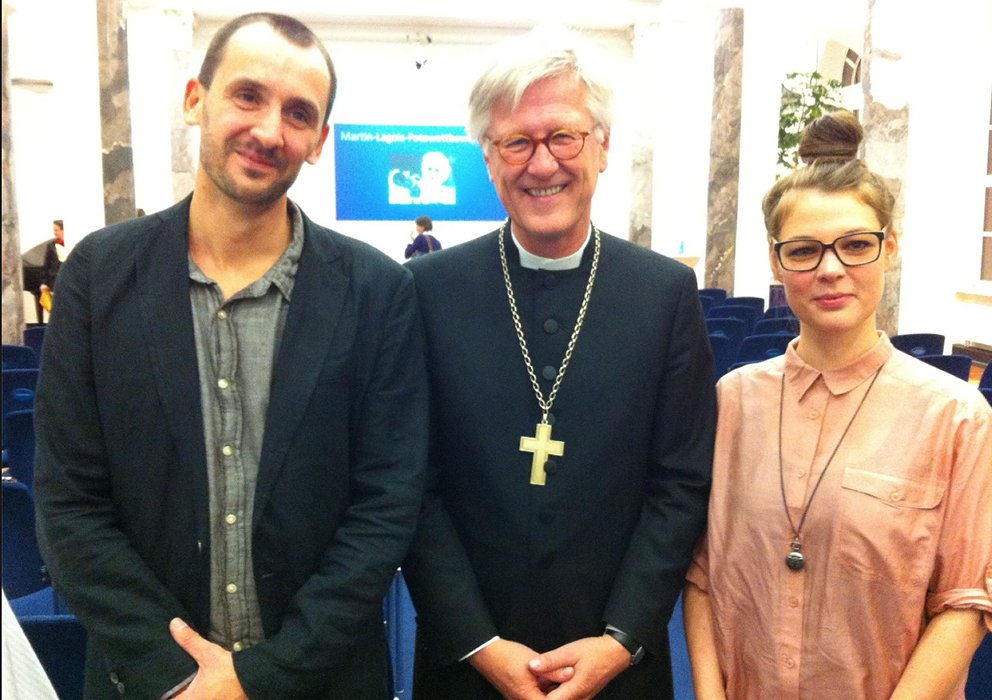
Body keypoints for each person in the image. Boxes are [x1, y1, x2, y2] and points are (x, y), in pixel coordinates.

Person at [33, 13, 427, 700]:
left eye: (298, 113)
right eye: (248, 95)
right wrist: (183, 676)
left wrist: (260, 679)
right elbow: (70, 506)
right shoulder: (99, 275)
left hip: (325, 681)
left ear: (319, 143)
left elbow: (385, 507)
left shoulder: (377, 291)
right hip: (148, 685)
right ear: (195, 99)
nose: (269, 130)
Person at [402, 27, 716, 700]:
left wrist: (621, 639)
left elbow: (681, 484)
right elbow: (410, 484)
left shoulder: (662, 294)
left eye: (563, 137)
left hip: (617, 667)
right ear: (489, 157)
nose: (541, 164)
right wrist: (479, 643)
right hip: (467, 665)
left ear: (601, 146)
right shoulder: (427, 292)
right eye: (517, 141)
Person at [684, 110, 992, 699]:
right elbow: (702, 576)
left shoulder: (955, 416)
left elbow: (964, 603)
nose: (831, 269)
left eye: (855, 245)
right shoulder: (733, 401)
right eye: (803, 250)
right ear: (777, 261)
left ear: (889, 247)